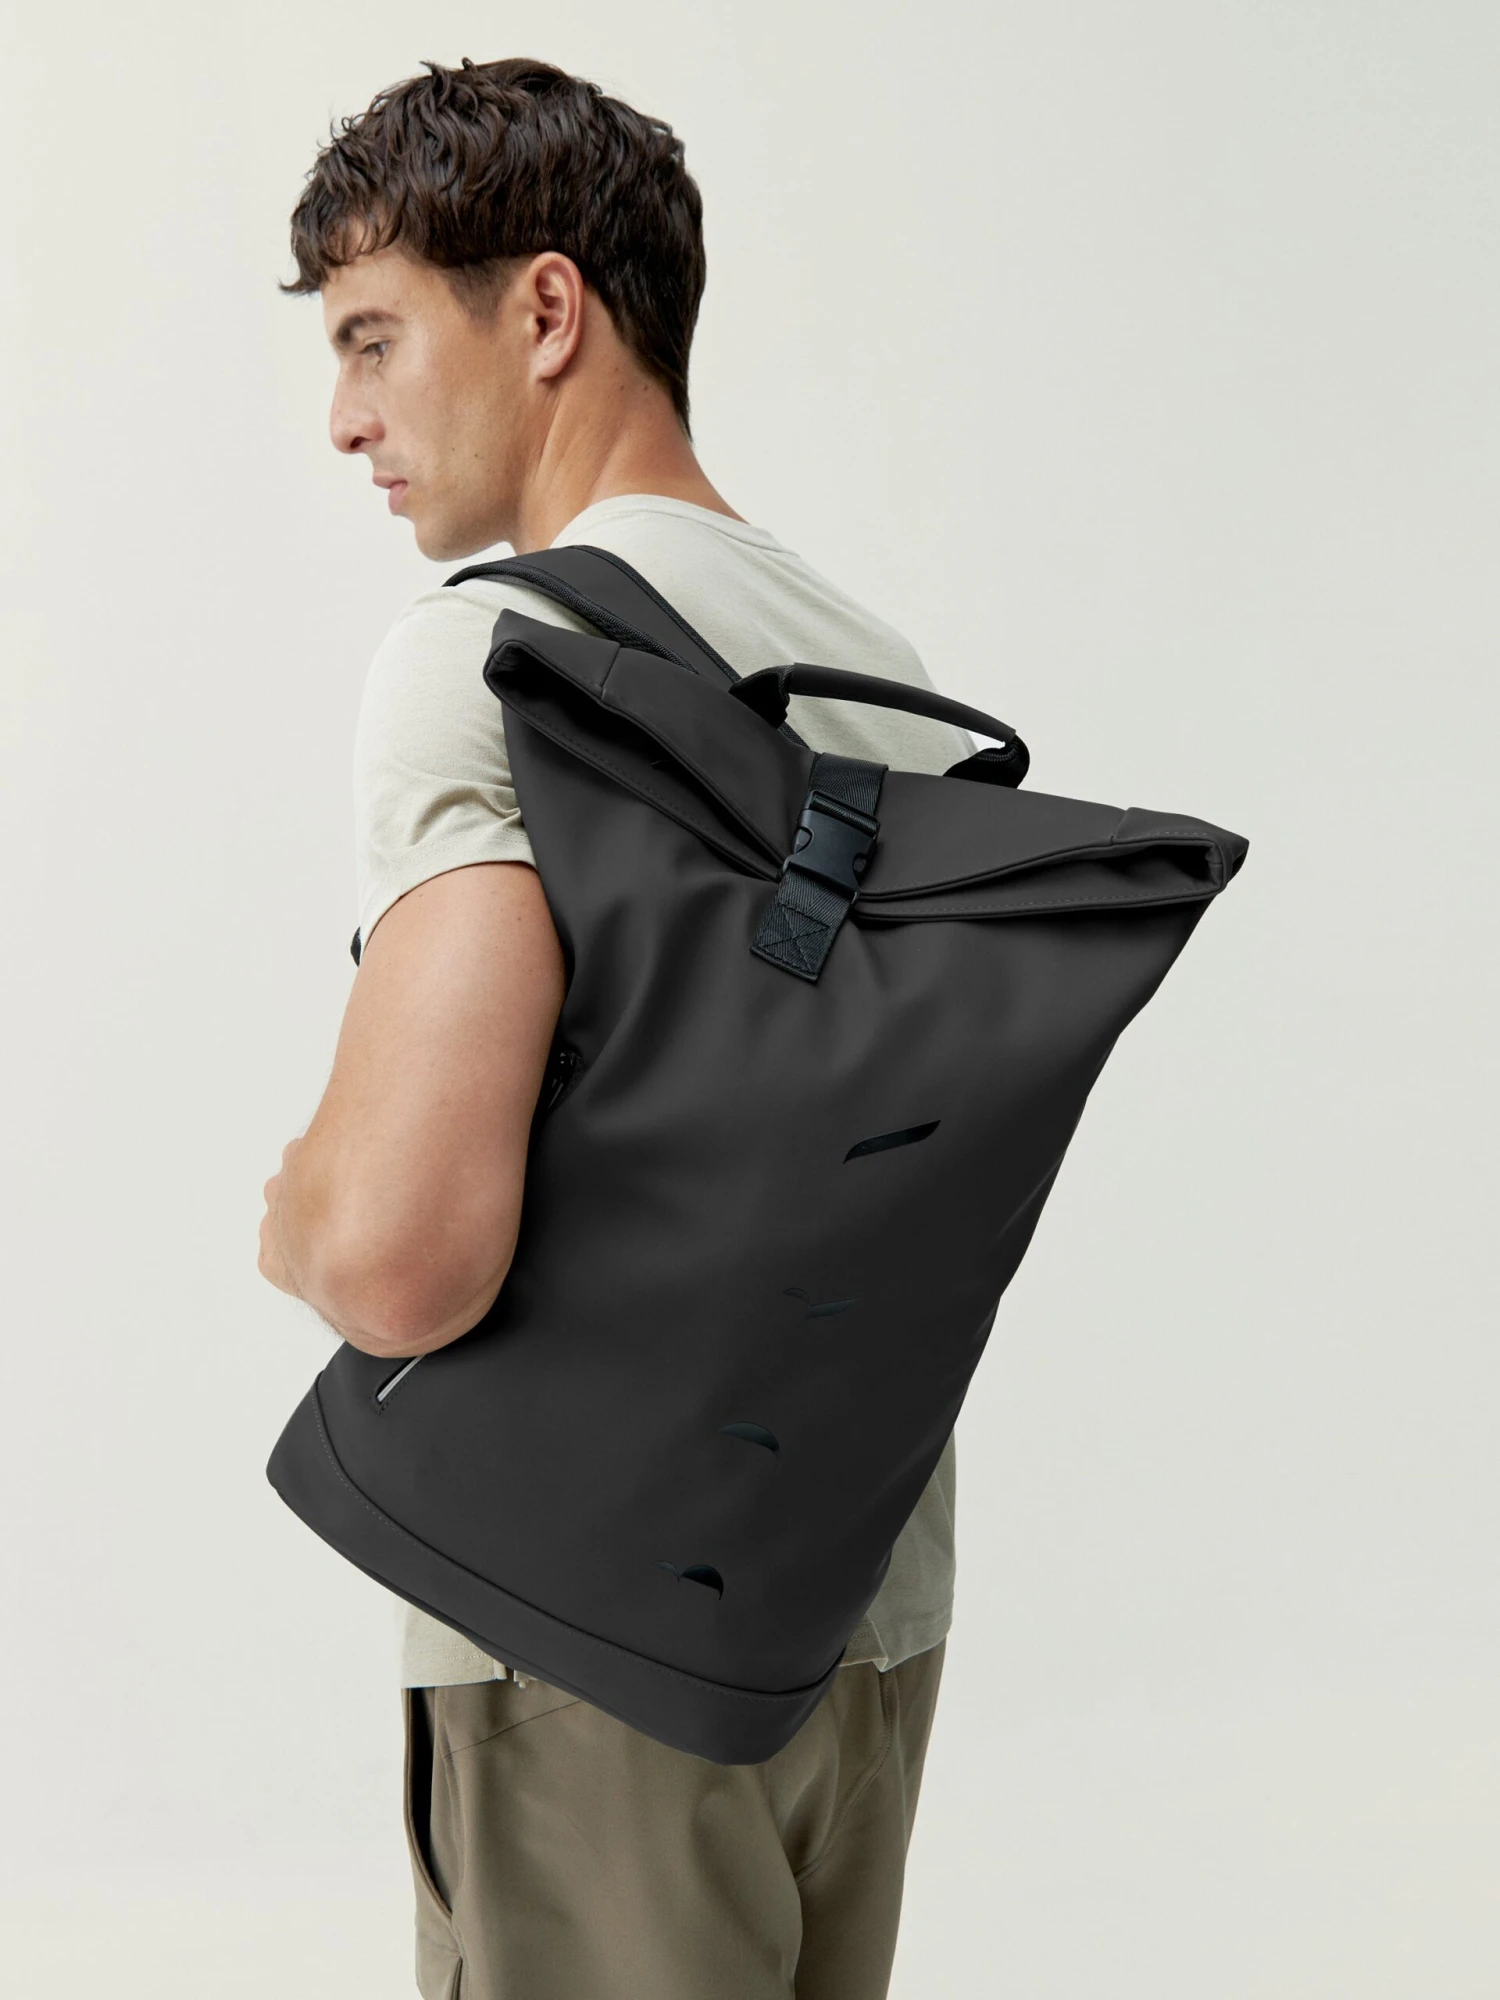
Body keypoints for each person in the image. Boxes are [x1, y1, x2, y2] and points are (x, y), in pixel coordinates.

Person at [258, 56, 972, 2000]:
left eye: (375, 337)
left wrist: (292, 1208)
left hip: (590, 1631)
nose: (346, 416)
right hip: (866, 1616)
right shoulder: (884, 675)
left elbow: (402, 1256)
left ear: (549, 310)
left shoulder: (499, 657)